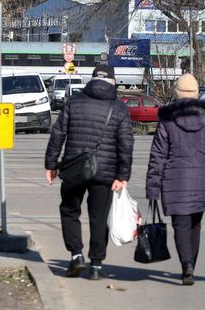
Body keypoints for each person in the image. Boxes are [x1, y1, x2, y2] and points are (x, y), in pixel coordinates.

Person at [44, 64, 134, 280]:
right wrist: (123, 175)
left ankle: (76, 255)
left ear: (92, 79)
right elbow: (126, 144)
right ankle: (96, 265)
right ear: (113, 82)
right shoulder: (119, 108)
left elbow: (58, 134)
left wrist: (51, 164)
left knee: (69, 210)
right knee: (99, 217)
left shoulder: (74, 102)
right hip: (105, 172)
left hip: (74, 168)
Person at [146, 73, 205, 286]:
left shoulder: (167, 121)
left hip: (175, 181)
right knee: (195, 224)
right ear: (196, 94)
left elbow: (158, 156)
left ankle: (186, 265)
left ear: (176, 93)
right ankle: (191, 263)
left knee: (180, 225)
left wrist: (152, 188)